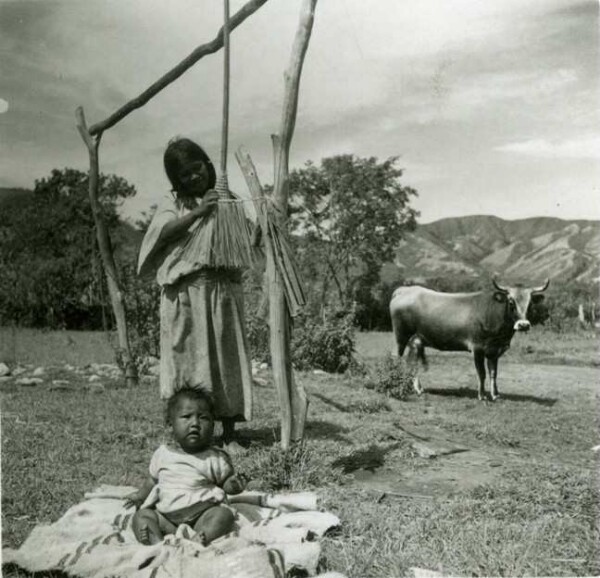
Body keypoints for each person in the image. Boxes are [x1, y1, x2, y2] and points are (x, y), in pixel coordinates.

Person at [137, 137, 253, 447]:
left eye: (197, 168)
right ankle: (187, 432)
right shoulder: (173, 204)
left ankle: (230, 432)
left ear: (208, 165)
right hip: (186, 293)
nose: (193, 177)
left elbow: (249, 237)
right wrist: (198, 212)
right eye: (185, 174)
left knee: (226, 360)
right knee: (187, 360)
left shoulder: (227, 200)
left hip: (221, 291)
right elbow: (161, 233)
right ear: (176, 180)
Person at [125, 388, 246, 545]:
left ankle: (201, 538)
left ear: (213, 424)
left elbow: (225, 484)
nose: (195, 423)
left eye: (203, 418)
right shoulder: (162, 454)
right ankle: (158, 543)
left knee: (223, 515)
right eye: (186, 417)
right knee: (142, 516)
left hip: (201, 516)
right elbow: (152, 481)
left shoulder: (214, 457)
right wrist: (140, 496)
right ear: (171, 424)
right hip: (166, 518)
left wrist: (234, 485)